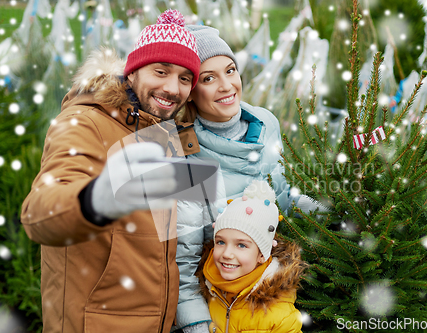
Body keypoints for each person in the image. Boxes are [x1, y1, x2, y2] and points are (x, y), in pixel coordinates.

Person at [21, 9, 201, 333]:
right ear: (132, 73)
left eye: (185, 78)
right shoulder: (85, 122)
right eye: (161, 71)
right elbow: (38, 212)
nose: (173, 88)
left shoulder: (170, 133)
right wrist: (93, 202)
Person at [174, 25, 323, 332]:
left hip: (271, 288)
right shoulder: (185, 153)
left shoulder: (265, 122)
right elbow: (183, 263)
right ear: (190, 91)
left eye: (230, 70)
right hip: (221, 301)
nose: (227, 86)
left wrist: (332, 213)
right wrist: (198, 326)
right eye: (208, 78)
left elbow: (281, 192)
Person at [199, 180, 306, 332]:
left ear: (262, 255)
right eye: (221, 242)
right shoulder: (208, 288)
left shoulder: (280, 316)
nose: (227, 254)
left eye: (241, 245)